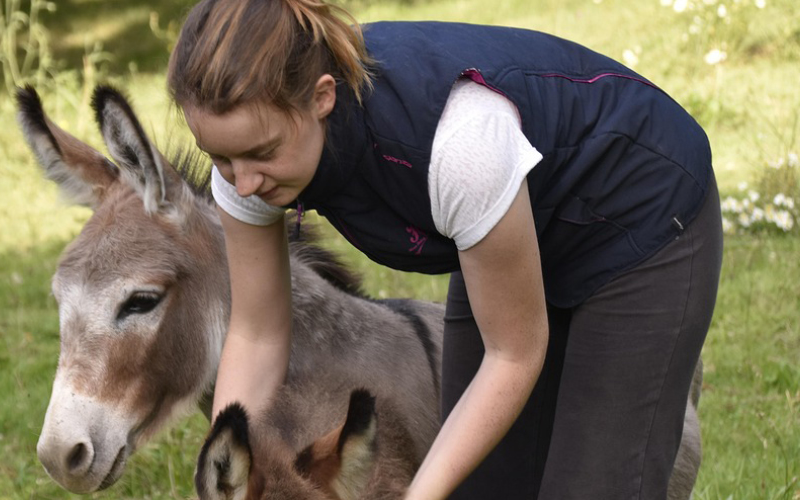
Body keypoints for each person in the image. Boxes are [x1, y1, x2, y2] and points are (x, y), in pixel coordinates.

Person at [166, 0, 721, 499]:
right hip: (513, 224)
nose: (241, 185)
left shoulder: (460, 145)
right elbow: (257, 333)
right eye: (218, 158)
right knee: (483, 480)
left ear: (322, 98)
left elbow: (514, 354)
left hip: (638, 211)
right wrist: (227, 485)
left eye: (260, 153)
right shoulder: (249, 166)